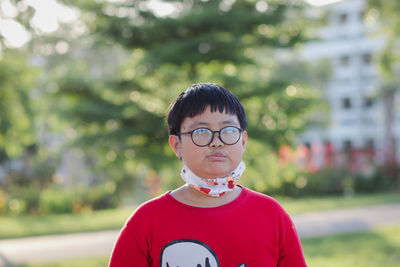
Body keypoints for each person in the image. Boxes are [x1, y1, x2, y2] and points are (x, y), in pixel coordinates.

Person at [109, 83, 307, 267]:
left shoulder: (271, 215)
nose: (216, 142)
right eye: (201, 131)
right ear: (176, 145)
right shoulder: (146, 221)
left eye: (228, 130)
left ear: (243, 141)